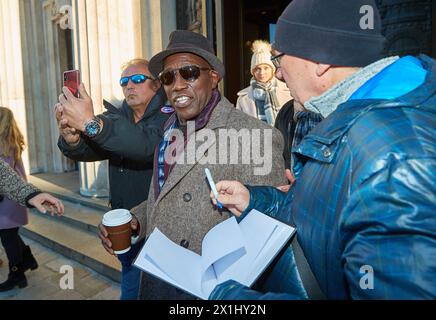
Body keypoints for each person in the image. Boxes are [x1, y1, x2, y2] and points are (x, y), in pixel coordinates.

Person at [209, 0, 436, 299]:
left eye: (279, 58)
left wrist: (235, 301)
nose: (278, 73)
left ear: (321, 60)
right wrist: (258, 201)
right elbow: (328, 211)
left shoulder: (395, 158)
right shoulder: (358, 123)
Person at [98, 30, 287, 299]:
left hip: (207, 291)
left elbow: (268, 230)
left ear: (213, 77)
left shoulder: (257, 136)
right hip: (154, 274)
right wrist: (137, 220)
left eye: (189, 73)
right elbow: (165, 194)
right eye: (167, 77)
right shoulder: (168, 128)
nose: (177, 85)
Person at [55, 59, 172, 300]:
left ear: (157, 85)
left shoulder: (170, 116)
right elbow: (92, 149)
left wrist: (92, 124)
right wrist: (72, 138)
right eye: (124, 81)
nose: (129, 85)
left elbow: (145, 146)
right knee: (130, 285)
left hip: (160, 228)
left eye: (138, 79)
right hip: (123, 225)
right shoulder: (116, 117)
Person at [0, 107, 64, 292]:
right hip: (13, 201)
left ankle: (17, 275)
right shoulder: (12, 141)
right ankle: (27, 259)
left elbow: (4, 177)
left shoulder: (3, 144)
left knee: (8, 238)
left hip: (7, 200)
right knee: (10, 235)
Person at [236, 40, 290, 126]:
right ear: (253, 71)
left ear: (273, 69)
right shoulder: (243, 98)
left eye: (266, 68)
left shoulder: (289, 91)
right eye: (257, 69)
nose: (262, 73)